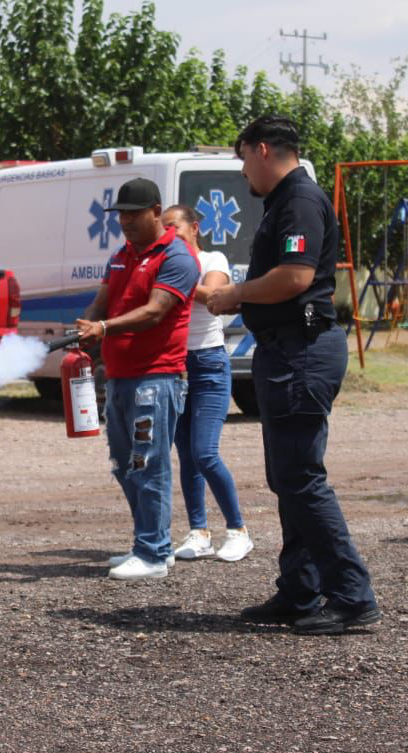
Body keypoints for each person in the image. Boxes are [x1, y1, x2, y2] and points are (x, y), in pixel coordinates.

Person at [205, 115, 381, 635]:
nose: (242, 171)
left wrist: (235, 294)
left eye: (242, 159)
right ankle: (301, 592)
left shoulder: (299, 200)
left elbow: (296, 276)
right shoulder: (285, 200)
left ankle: (351, 595)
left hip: (301, 350)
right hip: (288, 349)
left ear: (262, 150)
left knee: (301, 477)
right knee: (289, 477)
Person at [75, 178, 199, 581]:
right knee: (124, 465)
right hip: (120, 378)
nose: (125, 221)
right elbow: (102, 300)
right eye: (121, 214)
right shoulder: (121, 255)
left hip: (156, 379)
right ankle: (148, 542)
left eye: (133, 213)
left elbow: (155, 312)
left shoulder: (176, 258)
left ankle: (154, 551)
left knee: (148, 464)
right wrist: (87, 327)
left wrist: (105, 329)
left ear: (155, 211)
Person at [160, 205, 254, 563]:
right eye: (164, 229)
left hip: (209, 364)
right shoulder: (167, 262)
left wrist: (177, 281)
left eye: (175, 227)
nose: (169, 234)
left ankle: (238, 531)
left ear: (194, 227)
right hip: (176, 366)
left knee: (205, 452)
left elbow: (214, 299)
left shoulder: (213, 259)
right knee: (185, 454)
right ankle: (199, 532)